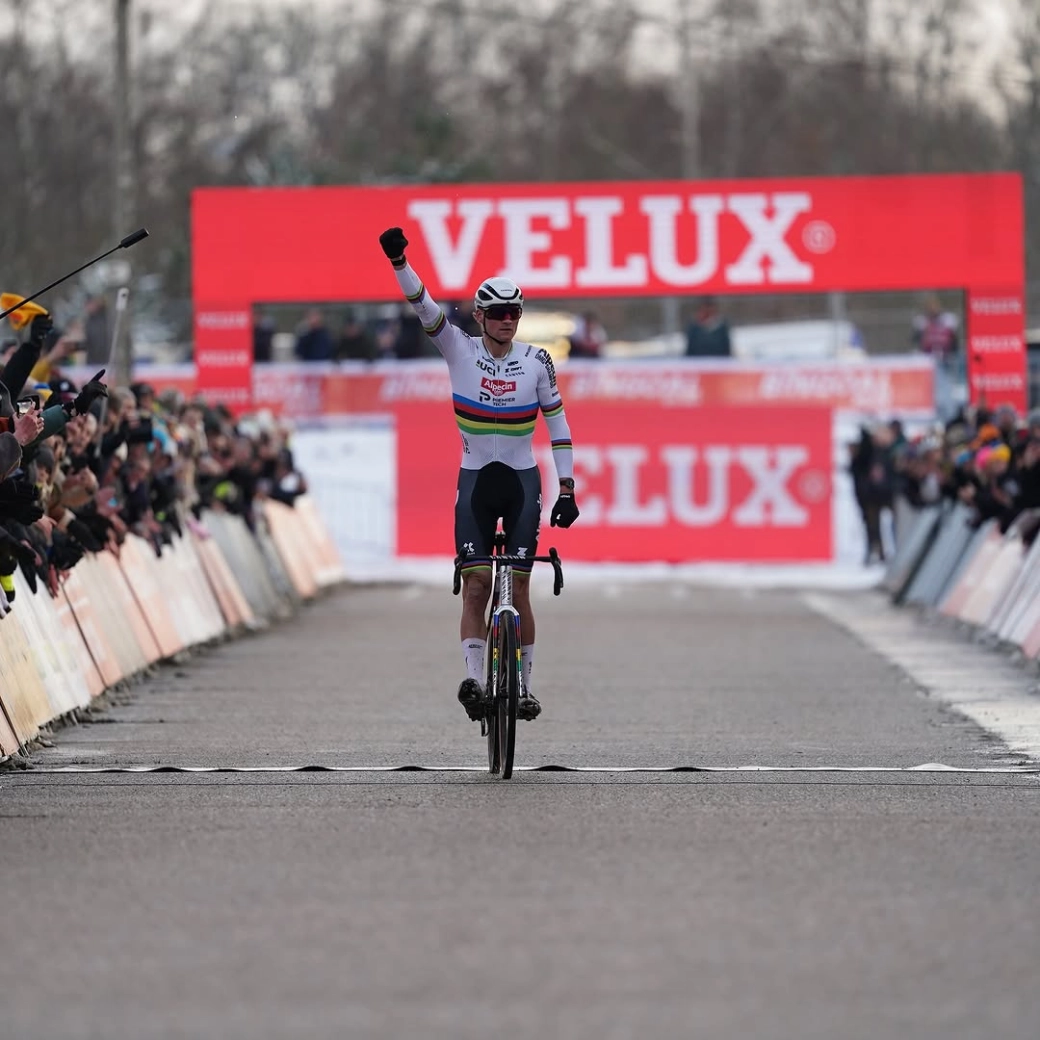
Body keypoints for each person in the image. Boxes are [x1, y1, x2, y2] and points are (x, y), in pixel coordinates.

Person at [378, 225, 580, 722]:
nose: (508, 320)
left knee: (521, 589)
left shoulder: (537, 361)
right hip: (475, 484)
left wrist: (567, 487)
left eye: (515, 312)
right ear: (480, 315)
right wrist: (400, 262)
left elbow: (558, 425)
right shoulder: (458, 348)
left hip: (521, 483)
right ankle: (474, 680)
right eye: (499, 312)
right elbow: (423, 306)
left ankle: (524, 687)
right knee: (475, 586)